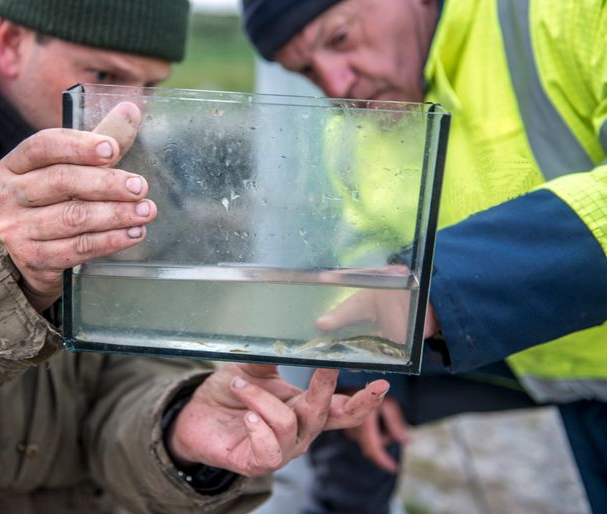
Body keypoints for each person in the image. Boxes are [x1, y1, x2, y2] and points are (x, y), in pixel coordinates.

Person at [0, 1, 392, 513]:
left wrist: (178, 428)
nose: (131, 112)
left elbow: (127, 382)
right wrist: (7, 272)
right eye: (103, 77)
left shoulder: (142, 174)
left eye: (152, 85)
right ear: (9, 42)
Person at [241, 0, 607, 512]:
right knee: (335, 381)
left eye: (340, 39)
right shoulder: (355, 128)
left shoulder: (564, 13)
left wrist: (435, 287)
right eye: (304, 70)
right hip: (564, 364)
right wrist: (361, 358)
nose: (336, 83)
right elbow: (364, 245)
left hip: (563, 345)